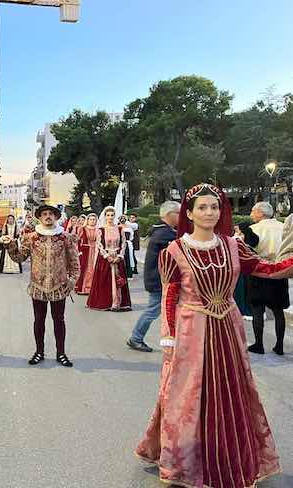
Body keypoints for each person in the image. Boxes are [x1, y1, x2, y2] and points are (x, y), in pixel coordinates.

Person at [136, 183, 290, 488]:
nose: (210, 212)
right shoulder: (175, 250)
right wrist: (169, 336)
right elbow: (170, 295)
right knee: (187, 397)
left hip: (228, 330)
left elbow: (265, 268)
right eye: (202, 207)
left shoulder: (233, 246)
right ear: (190, 213)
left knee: (232, 392)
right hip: (192, 328)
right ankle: (183, 461)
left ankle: (230, 457)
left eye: (215, 207)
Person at [2, 204, 80, 366]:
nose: (48, 216)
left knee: (59, 320)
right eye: (44, 214)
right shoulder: (31, 237)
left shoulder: (65, 237)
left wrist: (72, 280)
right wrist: (10, 245)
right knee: (39, 320)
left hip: (60, 286)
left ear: (56, 216)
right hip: (38, 285)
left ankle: (61, 353)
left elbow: (74, 261)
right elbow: (19, 258)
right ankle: (39, 352)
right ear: (40, 217)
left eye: (51, 213)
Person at [126, 201, 180, 352]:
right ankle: (136, 338)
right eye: (179, 213)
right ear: (170, 215)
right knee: (153, 310)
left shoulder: (163, 230)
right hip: (159, 280)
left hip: (159, 278)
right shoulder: (165, 233)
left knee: (170, 310)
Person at [243, 202, 289, 355]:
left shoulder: (253, 229)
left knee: (257, 309)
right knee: (278, 310)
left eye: (253, 211)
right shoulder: (283, 226)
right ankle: (280, 346)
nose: (251, 213)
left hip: (259, 271)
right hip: (281, 270)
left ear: (260, 213)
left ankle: (259, 344)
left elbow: (248, 250)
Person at [86, 206, 132, 311]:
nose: (110, 217)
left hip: (117, 256)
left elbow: (123, 243)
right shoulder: (101, 230)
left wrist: (120, 256)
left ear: (114, 216)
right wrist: (106, 256)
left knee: (119, 280)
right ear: (105, 217)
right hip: (105, 258)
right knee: (104, 280)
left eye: (112, 215)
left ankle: (119, 303)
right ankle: (106, 302)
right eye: (108, 215)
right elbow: (99, 244)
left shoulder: (120, 229)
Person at [233, 222, 253, 320]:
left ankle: (244, 310)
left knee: (243, 288)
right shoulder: (237, 237)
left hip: (243, 266)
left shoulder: (243, 237)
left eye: (237, 228)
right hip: (239, 265)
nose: (236, 230)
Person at [74, 213, 99, 295]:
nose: (92, 221)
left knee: (94, 268)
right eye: (90, 219)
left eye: (94, 219)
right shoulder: (83, 229)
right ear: (87, 220)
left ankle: (93, 287)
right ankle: (84, 287)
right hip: (86, 250)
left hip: (96, 250)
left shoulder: (98, 229)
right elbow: (78, 240)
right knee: (85, 269)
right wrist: (79, 251)